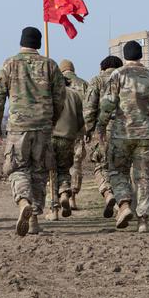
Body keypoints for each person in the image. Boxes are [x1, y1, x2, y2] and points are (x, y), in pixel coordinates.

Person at [0, 27, 65, 237]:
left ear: (21, 41)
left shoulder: (9, 64)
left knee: (18, 169)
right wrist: (52, 120)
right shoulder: (51, 65)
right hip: (43, 127)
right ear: (38, 43)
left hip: (18, 129)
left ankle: (23, 201)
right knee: (40, 171)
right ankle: (34, 221)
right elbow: (60, 98)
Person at [100, 41, 149, 233]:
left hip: (122, 133)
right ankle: (143, 220)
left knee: (116, 171)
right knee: (143, 177)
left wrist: (100, 127)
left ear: (125, 55)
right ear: (141, 55)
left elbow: (107, 105)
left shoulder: (117, 75)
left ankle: (124, 203)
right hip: (146, 134)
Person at [82, 55, 123, 218]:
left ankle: (107, 193)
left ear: (102, 67)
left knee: (100, 166)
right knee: (121, 170)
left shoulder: (96, 81)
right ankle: (122, 206)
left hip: (103, 130)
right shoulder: (124, 78)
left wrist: (88, 130)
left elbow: (89, 108)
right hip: (124, 130)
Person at [46, 78, 84, 221]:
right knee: (63, 170)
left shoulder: (48, 94)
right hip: (67, 138)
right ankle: (64, 193)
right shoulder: (75, 95)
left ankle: (54, 209)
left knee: (51, 173)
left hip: (49, 137)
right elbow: (81, 119)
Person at [59, 59, 88, 211]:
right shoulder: (83, 84)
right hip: (78, 129)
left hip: (59, 131)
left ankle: (61, 196)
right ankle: (73, 199)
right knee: (76, 165)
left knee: (60, 166)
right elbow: (89, 106)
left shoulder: (57, 86)